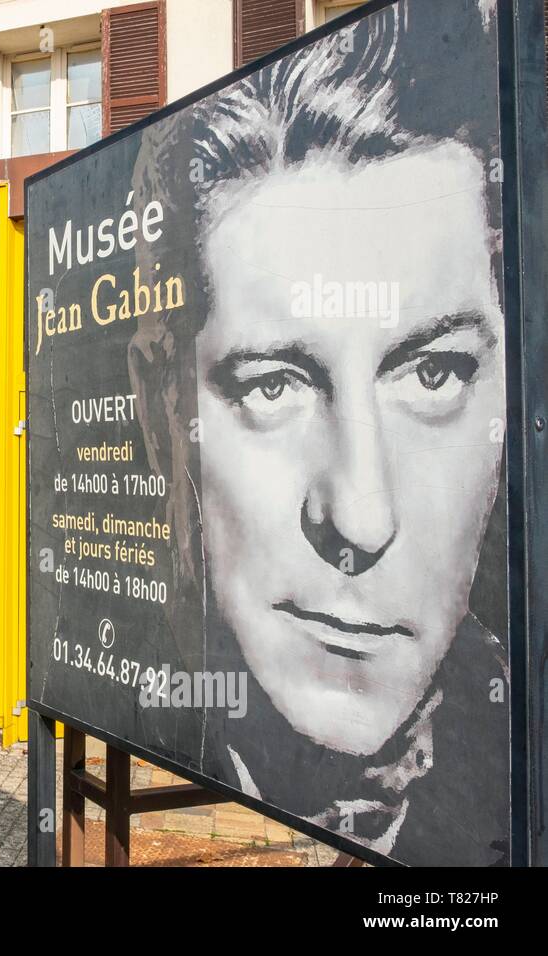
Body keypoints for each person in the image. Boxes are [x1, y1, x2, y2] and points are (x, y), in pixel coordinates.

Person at [127, 0, 508, 864]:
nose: (363, 519)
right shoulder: (142, 685)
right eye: (273, 384)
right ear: (160, 415)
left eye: (435, 373)